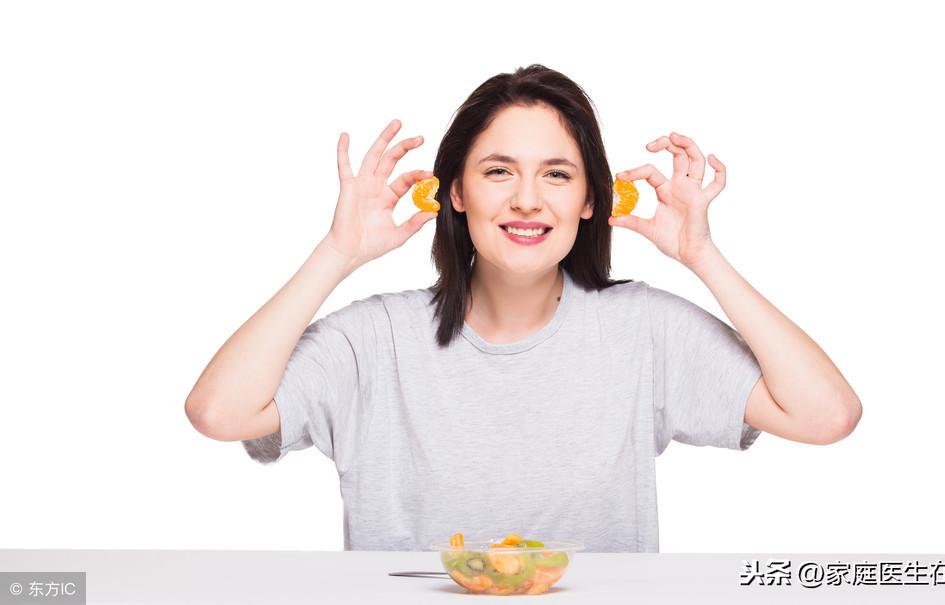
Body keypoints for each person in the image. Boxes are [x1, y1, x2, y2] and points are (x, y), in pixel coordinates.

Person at [184, 64, 862, 552]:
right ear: (455, 193)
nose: (528, 200)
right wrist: (336, 253)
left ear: (590, 199)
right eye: (498, 171)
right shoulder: (375, 338)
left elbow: (826, 415)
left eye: (557, 175)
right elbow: (219, 412)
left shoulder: (641, 329)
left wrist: (702, 255)